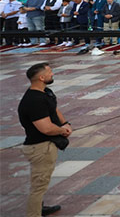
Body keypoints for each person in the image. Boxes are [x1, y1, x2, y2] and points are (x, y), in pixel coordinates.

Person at [18, 62, 68, 217]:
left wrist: (65, 124)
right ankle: (34, 213)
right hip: (40, 147)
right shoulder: (34, 101)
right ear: (41, 77)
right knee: (39, 185)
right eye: (49, 72)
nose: (52, 74)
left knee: (41, 181)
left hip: (46, 145)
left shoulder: (45, 92)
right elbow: (45, 128)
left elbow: (54, 109)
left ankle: (39, 208)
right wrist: (62, 130)